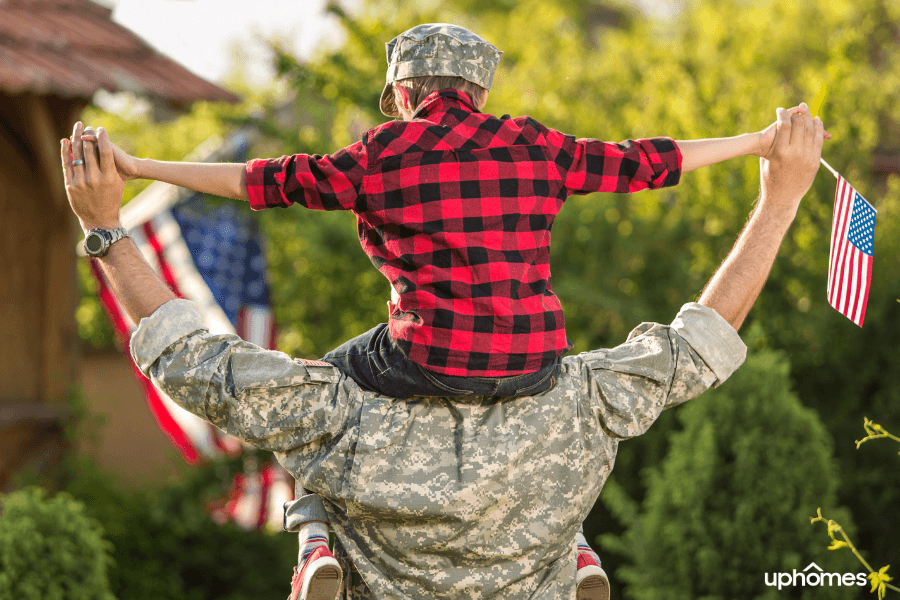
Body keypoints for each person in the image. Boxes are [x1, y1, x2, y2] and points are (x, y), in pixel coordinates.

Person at [82, 23, 828, 598]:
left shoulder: (380, 156)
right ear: (478, 92)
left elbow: (255, 198)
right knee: (569, 473)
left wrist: (119, 201)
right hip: (537, 367)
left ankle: (316, 542)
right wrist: (770, 172)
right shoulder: (534, 154)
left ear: (403, 94)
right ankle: (573, 551)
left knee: (313, 388)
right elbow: (652, 174)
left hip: (416, 359)